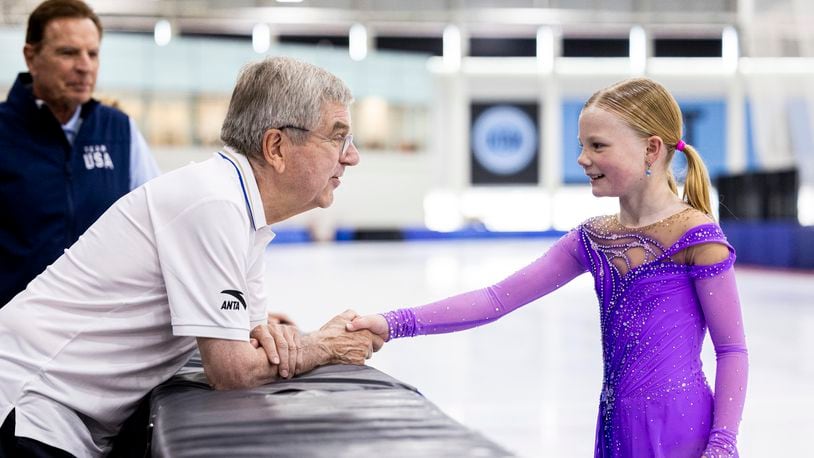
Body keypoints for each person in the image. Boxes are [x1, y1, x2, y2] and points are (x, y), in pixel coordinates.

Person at [0, 56, 380, 457]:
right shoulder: (213, 202)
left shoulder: (240, 209)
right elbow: (232, 370)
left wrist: (280, 340)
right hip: (28, 404)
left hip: (55, 412)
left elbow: (254, 341)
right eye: (337, 138)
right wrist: (321, 346)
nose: (350, 156)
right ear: (276, 147)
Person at [349, 78, 748, 457]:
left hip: (682, 429)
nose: (582, 158)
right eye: (582, 145)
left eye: (597, 145)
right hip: (616, 424)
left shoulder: (696, 237)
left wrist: (723, 442)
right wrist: (392, 322)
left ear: (651, 149)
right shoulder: (594, 239)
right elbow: (495, 299)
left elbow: (731, 349)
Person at [0, 0, 160, 307]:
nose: (84, 65)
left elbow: (164, 228)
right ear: (31, 57)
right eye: (68, 52)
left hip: (100, 328)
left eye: (93, 53)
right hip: (14, 332)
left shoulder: (120, 131)